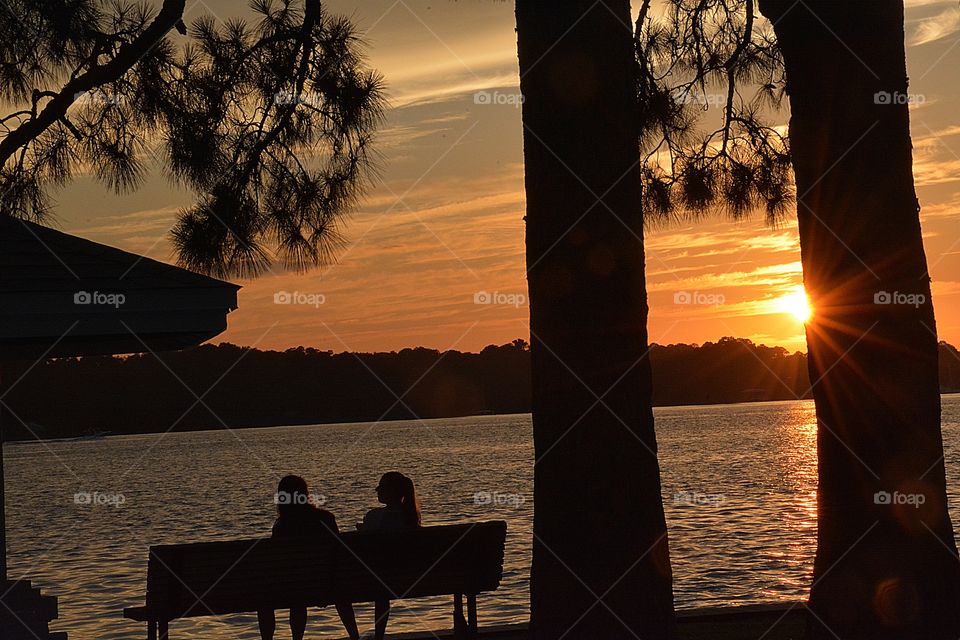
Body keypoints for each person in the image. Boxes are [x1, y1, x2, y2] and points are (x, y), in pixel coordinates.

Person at [258, 475, 360, 640]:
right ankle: (355, 636)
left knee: (269, 599)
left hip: (296, 586)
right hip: (329, 583)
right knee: (338, 593)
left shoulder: (282, 526)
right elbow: (338, 554)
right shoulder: (326, 518)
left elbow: (280, 561)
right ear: (305, 494)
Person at [360, 472, 421, 640]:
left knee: (380, 585)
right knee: (383, 580)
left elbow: (364, 547)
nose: (376, 490)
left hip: (380, 579)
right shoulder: (411, 519)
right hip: (412, 578)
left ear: (389, 492)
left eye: (379, 487)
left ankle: (374, 636)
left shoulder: (374, 517)